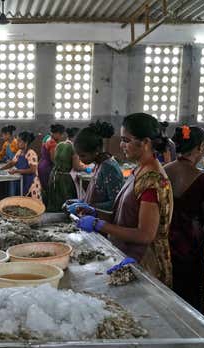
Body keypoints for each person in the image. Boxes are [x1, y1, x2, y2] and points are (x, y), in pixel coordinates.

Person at [74, 113, 173, 286]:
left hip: (145, 265)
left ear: (146, 143)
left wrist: (100, 224)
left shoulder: (153, 180)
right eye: (121, 139)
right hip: (127, 256)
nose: (121, 145)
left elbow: (145, 235)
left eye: (126, 140)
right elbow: (125, 214)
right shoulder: (139, 171)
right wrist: (96, 212)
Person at [165, 125, 204, 310]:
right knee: (187, 305)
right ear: (200, 147)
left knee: (164, 298)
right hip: (189, 250)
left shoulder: (163, 171)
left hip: (163, 247)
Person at [68, 123, 124, 212]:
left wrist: (87, 206)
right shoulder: (99, 164)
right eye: (78, 155)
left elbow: (116, 203)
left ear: (96, 150)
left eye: (83, 155)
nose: (80, 159)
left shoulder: (109, 168)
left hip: (106, 221)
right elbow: (97, 195)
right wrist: (80, 202)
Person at [47, 127, 85, 212]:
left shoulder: (59, 145)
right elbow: (76, 167)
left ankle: (54, 219)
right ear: (76, 137)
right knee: (66, 201)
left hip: (54, 175)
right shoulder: (73, 148)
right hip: (64, 179)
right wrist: (86, 168)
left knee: (55, 200)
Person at [0, 131, 42, 200]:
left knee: (32, 205)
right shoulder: (19, 152)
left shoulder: (31, 153)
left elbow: (32, 170)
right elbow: (12, 163)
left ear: (26, 142)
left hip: (31, 183)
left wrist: (16, 171)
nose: (17, 143)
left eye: (19, 141)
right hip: (23, 181)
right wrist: (0, 169)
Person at [38, 124, 66, 193]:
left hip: (42, 165)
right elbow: (53, 159)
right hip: (47, 167)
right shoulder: (52, 143)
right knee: (49, 189)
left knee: (45, 189)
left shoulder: (47, 139)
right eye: (61, 135)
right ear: (57, 133)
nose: (61, 137)